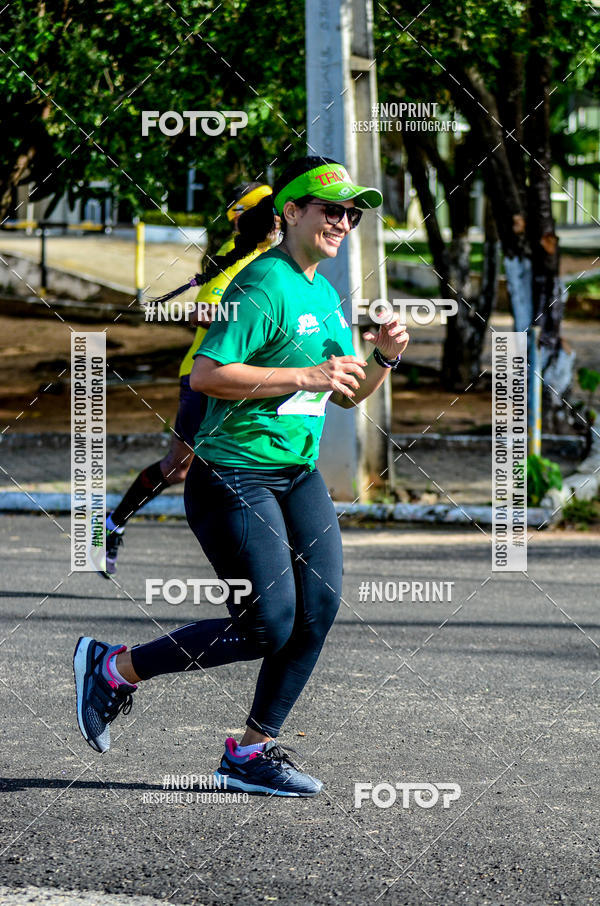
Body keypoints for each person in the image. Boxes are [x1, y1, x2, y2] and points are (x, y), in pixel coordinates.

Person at [74, 156, 409, 797]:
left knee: (320, 608)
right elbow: (207, 374)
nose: (342, 222)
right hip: (233, 473)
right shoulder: (262, 284)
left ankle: (253, 751)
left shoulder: (318, 292)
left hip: (295, 473)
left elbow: (345, 395)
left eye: (350, 213)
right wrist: (304, 376)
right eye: (328, 209)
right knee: (266, 622)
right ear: (290, 213)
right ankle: (113, 669)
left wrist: (383, 357)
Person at [102, 182, 275, 576]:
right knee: (180, 467)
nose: (278, 220)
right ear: (247, 219)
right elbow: (205, 314)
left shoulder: (272, 259)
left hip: (246, 380)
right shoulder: (235, 264)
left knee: (247, 462)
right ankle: (110, 526)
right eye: (270, 214)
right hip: (206, 378)